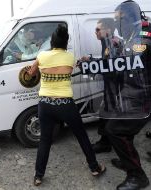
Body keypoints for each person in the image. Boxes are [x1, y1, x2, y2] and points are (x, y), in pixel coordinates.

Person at [26, 24, 106, 186]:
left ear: (52, 41)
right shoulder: (70, 56)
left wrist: (31, 69)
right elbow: (70, 68)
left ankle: (38, 176)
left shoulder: (42, 55)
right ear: (65, 41)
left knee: (45, 140)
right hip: (65, 104)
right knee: (81, 136)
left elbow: (31, 74)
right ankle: (94, 167)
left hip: (45, 104)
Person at [103, 1, 151, 189]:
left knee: (116, 130)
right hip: (131, 92)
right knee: (121, 130)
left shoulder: (145, 37)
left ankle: (138, 176)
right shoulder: (131, 35)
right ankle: (129, 161)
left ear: (130, 18)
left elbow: (137, 60)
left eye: (119, 20)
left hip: (143, 95)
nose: (117, 26)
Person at [82, 18, 123, 153]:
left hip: (115, 89)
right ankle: (106, 143)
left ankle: (113, 146)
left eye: (98, 29)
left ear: (108, 30)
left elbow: (111, 67)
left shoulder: (113, 43)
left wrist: (90, 65)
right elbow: (107, 62)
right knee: (105, 113)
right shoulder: (109, 42)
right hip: (111, 87)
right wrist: (91, 60)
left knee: (110, 116)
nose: (96, 32)